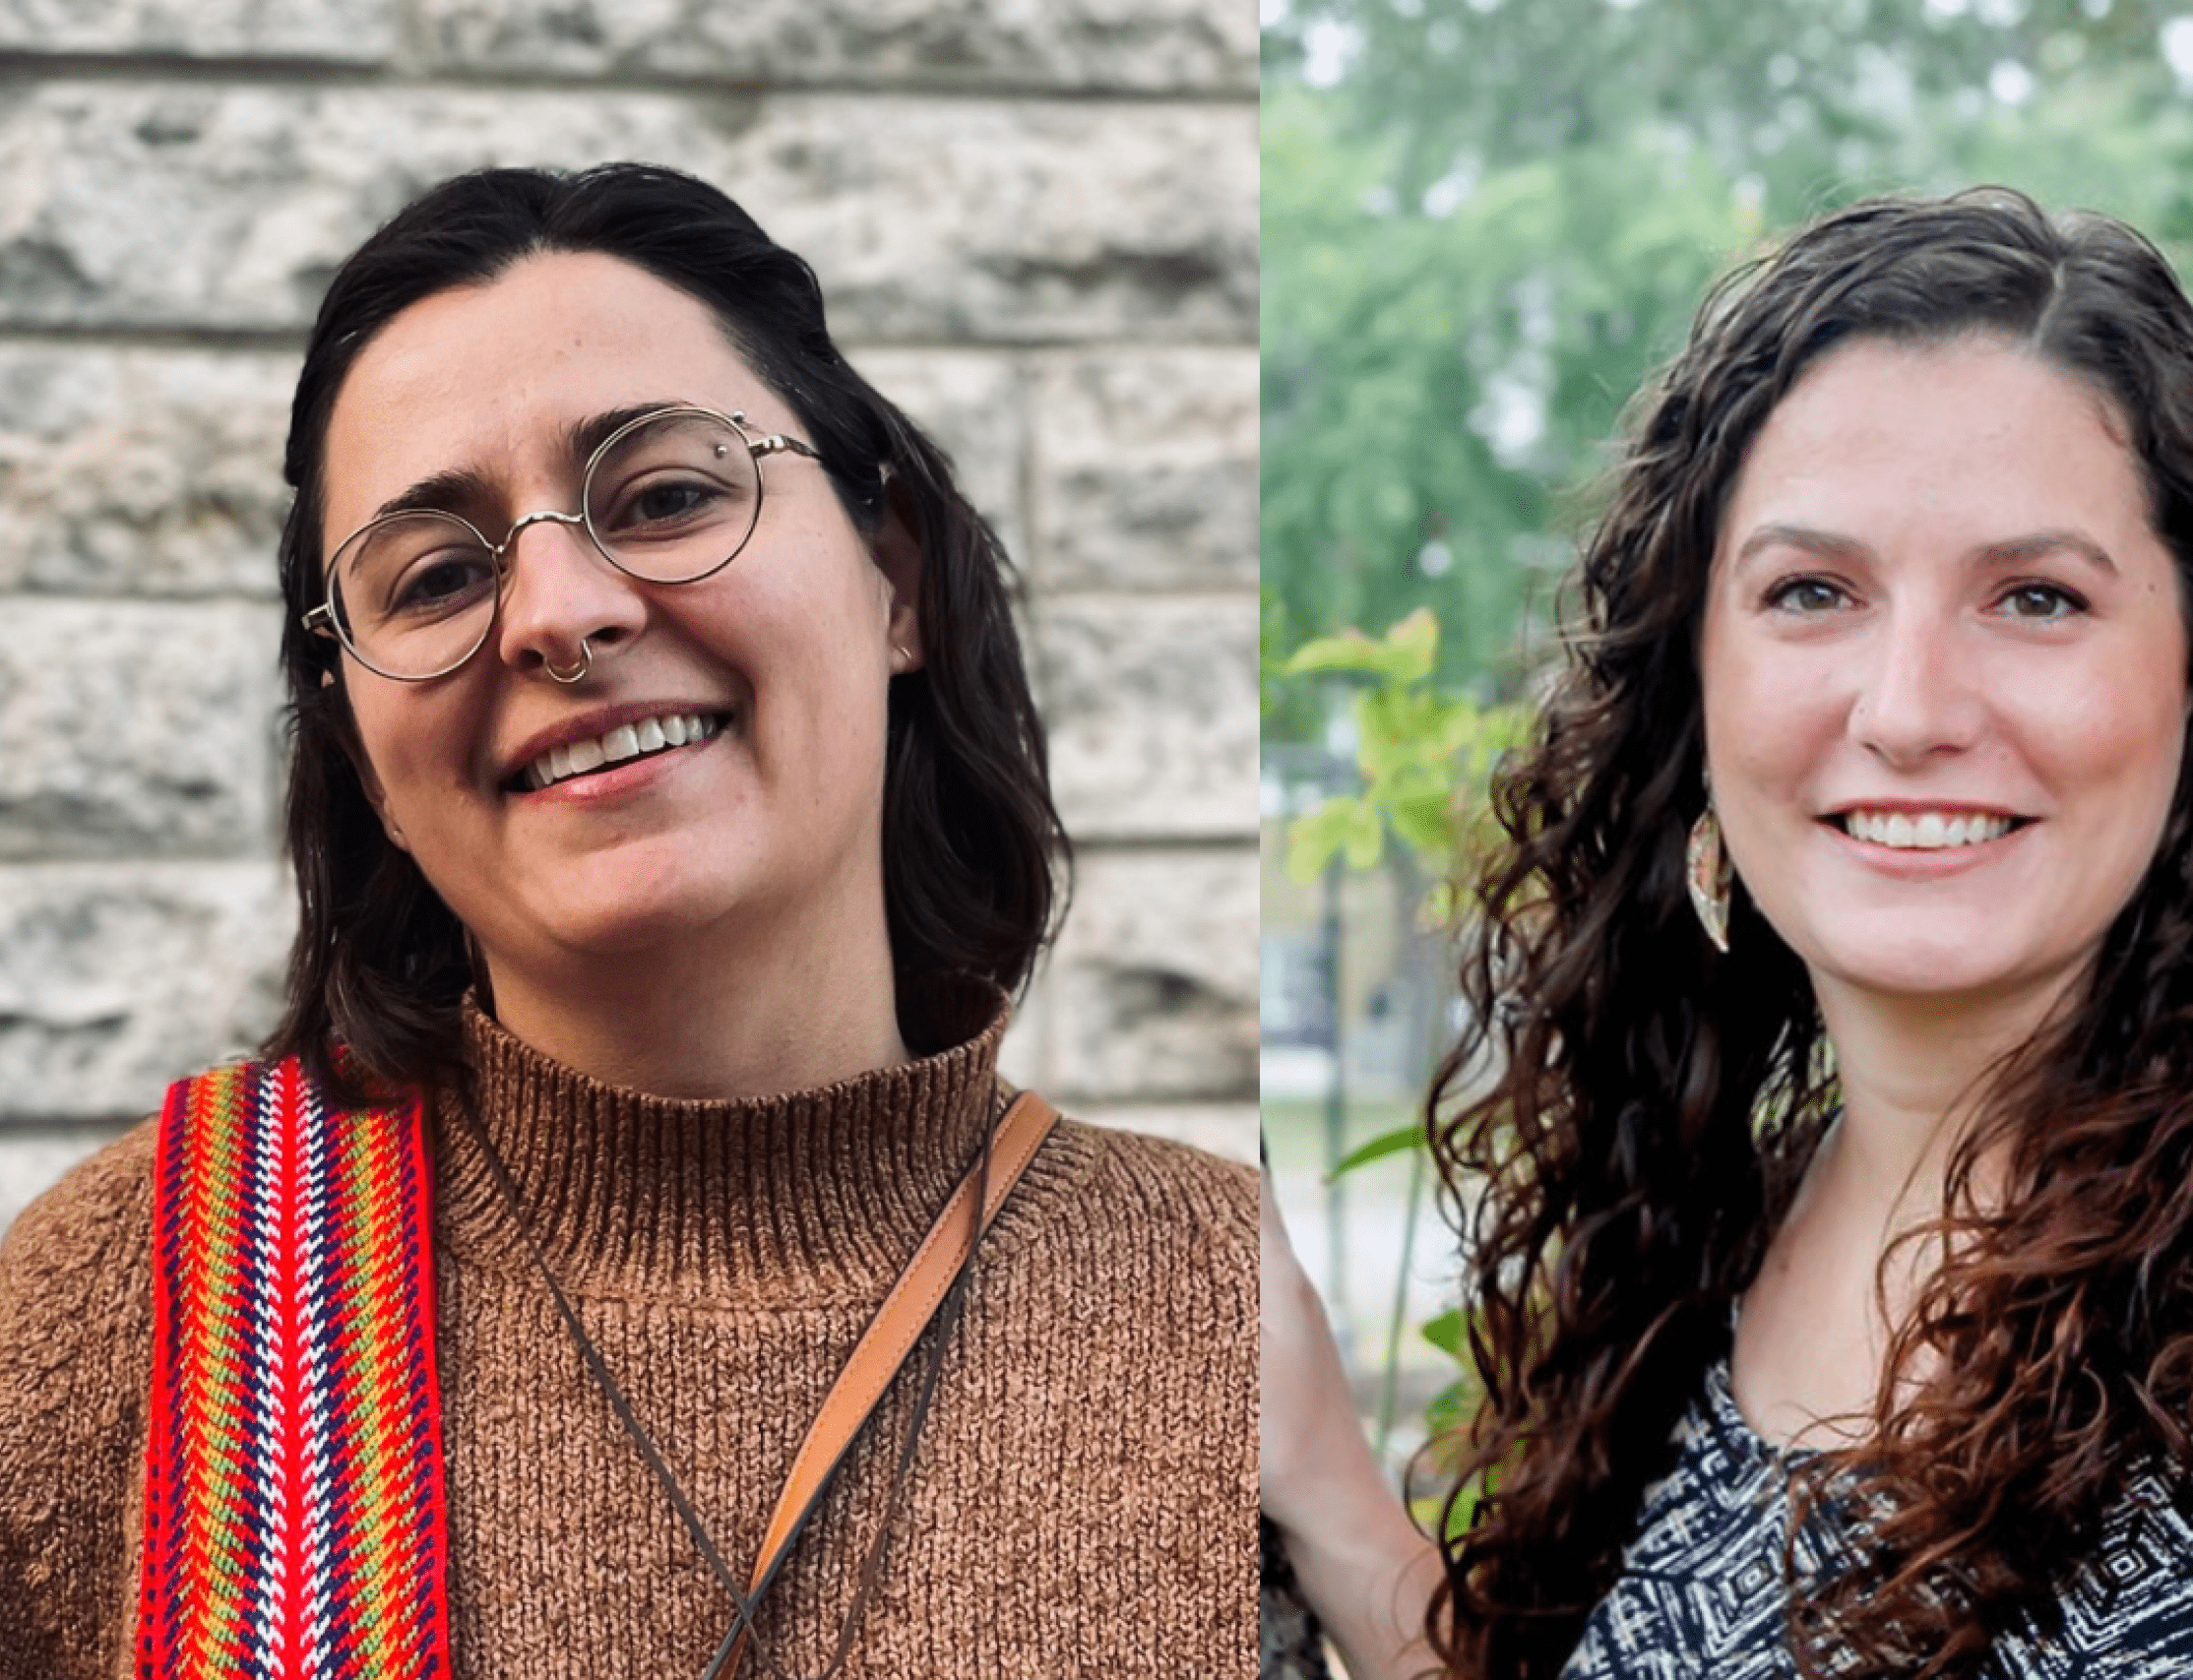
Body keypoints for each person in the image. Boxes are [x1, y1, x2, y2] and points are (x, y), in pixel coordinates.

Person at [0, 162, 1256, 1675]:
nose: (557, 611)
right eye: (436, 576)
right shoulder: (132, 1315)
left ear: (895, 577)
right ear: (363, 761)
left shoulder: (1223, 1299)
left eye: (667, 494)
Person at [1260, 188, 2193, 1678]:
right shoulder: (1717, 1224)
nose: (1911, 708)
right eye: (1813, 592)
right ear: (1697, 686)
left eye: (2037, 597)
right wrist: (1329, 1482)